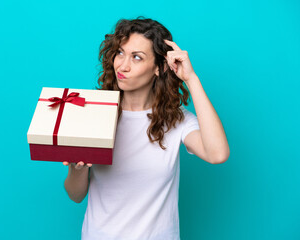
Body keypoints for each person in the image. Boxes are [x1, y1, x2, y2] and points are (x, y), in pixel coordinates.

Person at [63, 17, 230, 240]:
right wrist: (78, 169)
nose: (123, 65)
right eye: (120, 53)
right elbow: (76, 195)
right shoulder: (95, 113)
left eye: (137, 57)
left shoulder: (177, 120)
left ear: (159, 68)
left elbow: (217, 154)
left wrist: (190, 78)